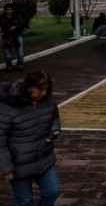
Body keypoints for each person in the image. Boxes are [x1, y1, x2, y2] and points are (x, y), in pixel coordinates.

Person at [0, 71, 62, 205]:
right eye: (40, 89)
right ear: (29, 87)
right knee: (24, 201)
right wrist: (5, 168)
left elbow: (54, 118)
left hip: (43, 158)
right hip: (18, 164)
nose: (44, 93)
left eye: (46, 88)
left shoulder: (48, 100)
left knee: (53, 190)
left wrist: (54, 129)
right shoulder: (7, 107)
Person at [1, 3, 25, 71]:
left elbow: (22, 23)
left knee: (20, 51)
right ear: (5, 10)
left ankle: (20, 64)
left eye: (11, 9)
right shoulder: (2, 17)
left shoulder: (16, 16)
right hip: (6, 36)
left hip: (17, 35)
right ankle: (9, 66)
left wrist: (15, 27)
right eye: (8, 10)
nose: (10, 11)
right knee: (7, 52)